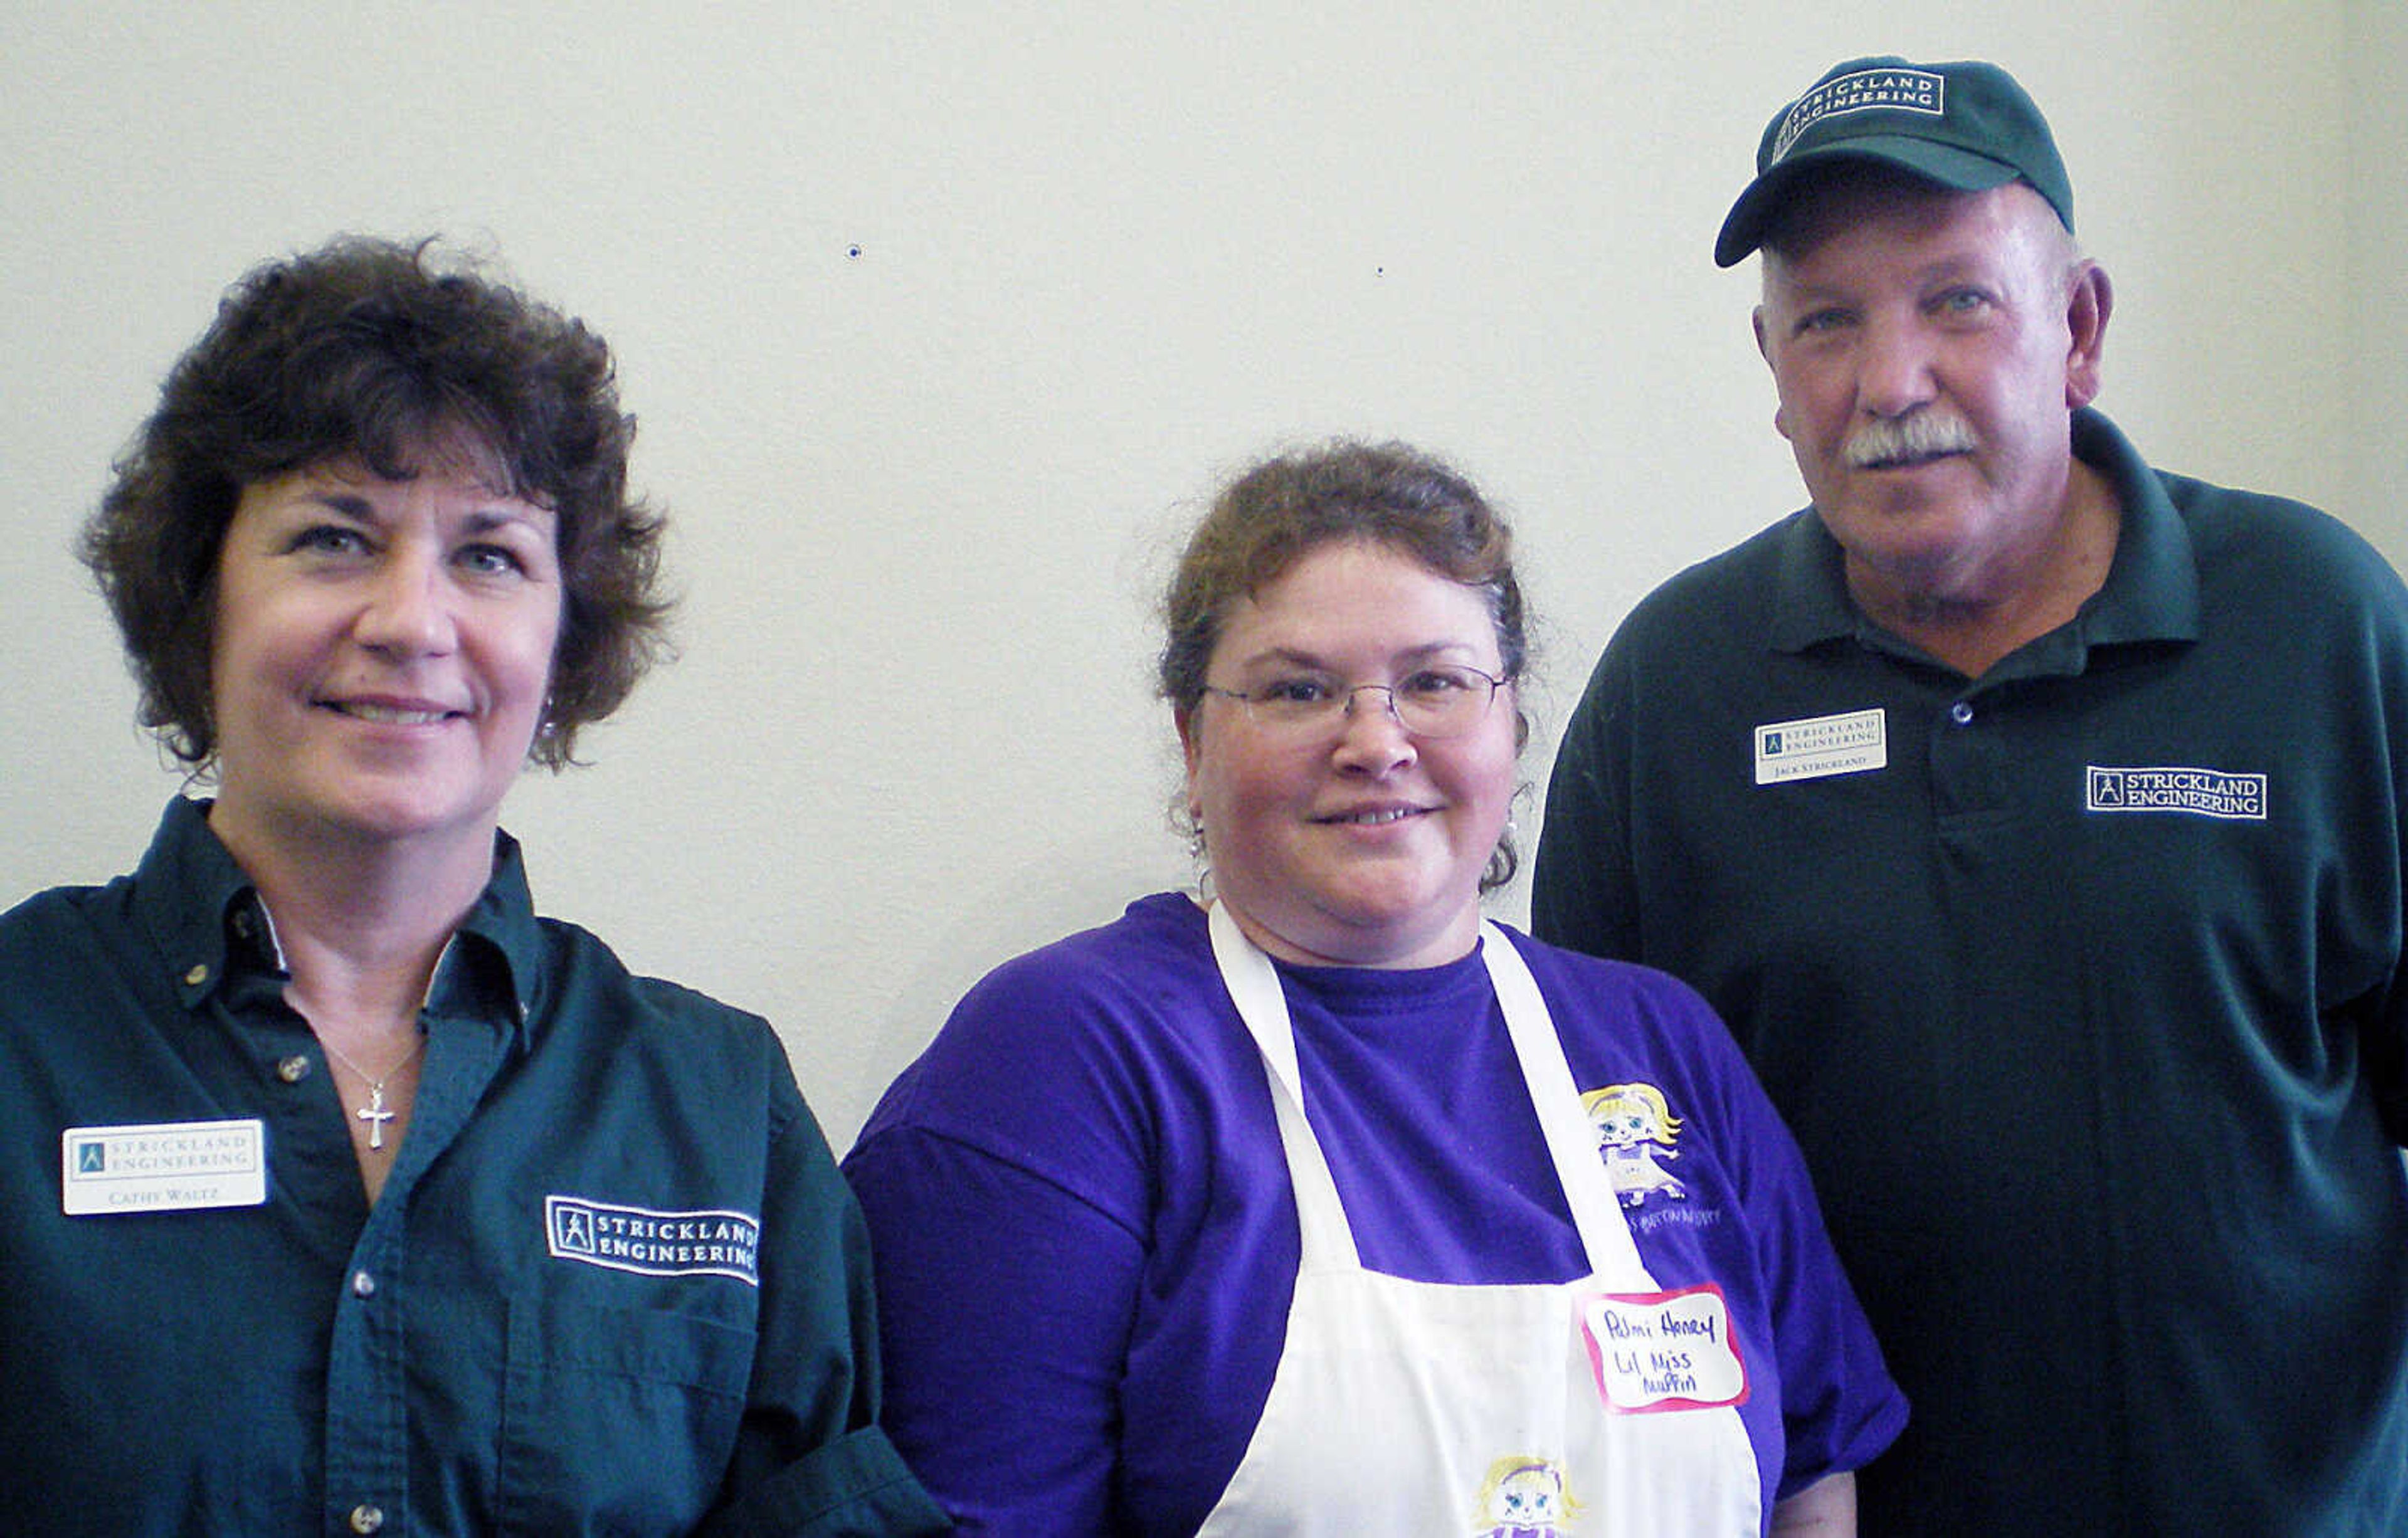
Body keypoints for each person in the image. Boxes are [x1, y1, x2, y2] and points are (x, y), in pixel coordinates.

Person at [1533, 54, 2408, 1537]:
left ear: (2077, 328)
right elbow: (1596, 1180)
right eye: (1828, 322)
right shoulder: (1676, 688)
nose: (1890, 383)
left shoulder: (2317, 623)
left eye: (1957, 301)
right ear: (1772, 368)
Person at [0, 236, 949, 1537]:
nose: (411, 620)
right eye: (335, 538)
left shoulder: (718, 1109)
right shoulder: (18, 1041)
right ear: (197, 595)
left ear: (565, 638)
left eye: (490, 556)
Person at [844, 440, 1905, 1534]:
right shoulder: (1061, 1060)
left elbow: (1812, 1479)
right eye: (1299, 689)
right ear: (1192, 737)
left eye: (1435, 682)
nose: (1377, 742)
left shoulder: (1658, 1043)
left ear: (1510, 723)